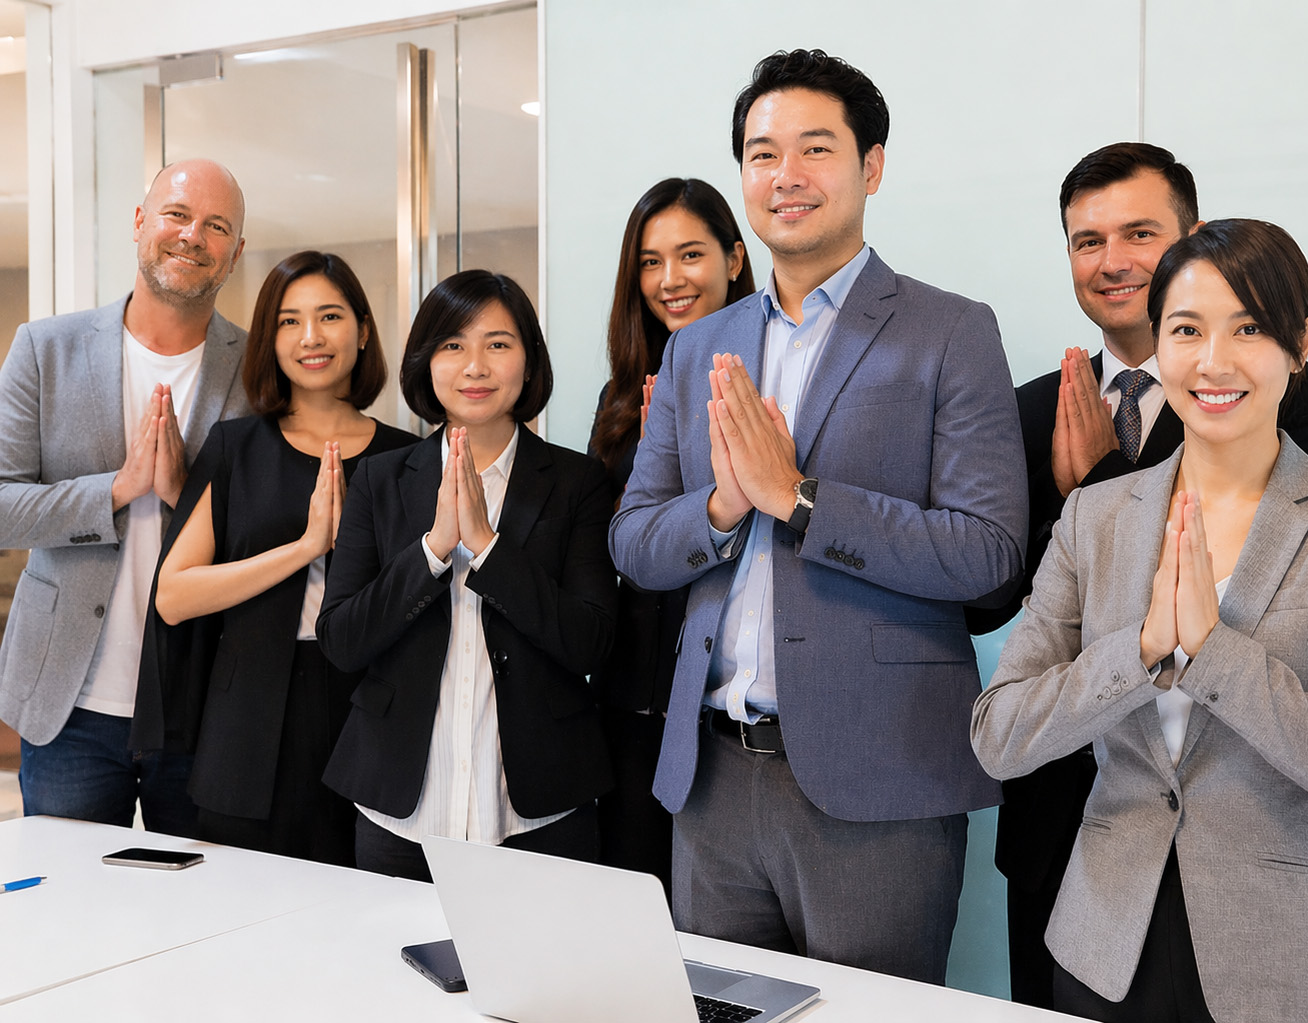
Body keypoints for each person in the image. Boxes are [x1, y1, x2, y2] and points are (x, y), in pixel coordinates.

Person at [609, 49, 1027, 984]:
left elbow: (987, 553)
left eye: (814, 148)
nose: (784, 176)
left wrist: (796, 499)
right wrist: (724, 502)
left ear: (870, 167)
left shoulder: (950, 330)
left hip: (878, 780)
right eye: (761, 154)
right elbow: (635, 541)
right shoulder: (697, 348)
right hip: (711, 780)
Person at [971, 219, 1308, 1022]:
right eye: (1185, 329)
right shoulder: (1095, 518)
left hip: (1280, 963)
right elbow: (1000, 734)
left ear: (1299, 342)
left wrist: (1214, 655)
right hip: (1100, 947)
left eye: (1248, 327)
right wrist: (1141, 650)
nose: (1212, 360)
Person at [317, 269, 616, 881]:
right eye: (453, 345)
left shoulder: (577, 482)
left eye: (498, 344)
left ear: (529, 362)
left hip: (538, 810)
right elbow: (342, 639)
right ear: (426, 363)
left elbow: (592, 641)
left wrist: (486, 548)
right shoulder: (378, 479)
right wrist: (433, 550)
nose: (475, 366)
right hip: (399, 811)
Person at [141, 251, 417, 865]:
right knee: (244, 917)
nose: (311, 337)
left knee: (364, 909)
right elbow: (174, 595)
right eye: (289, 322)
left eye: (329, 316)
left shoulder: (407, 457)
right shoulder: (236, 445)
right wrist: (305, 548)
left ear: (364, 330)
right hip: (250, 714)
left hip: (369, 709)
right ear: (269, 338)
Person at [0, 159, 249, 834]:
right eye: (176, 214)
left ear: (235, 251)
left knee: (200, 912)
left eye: (216, 225)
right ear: (141, 222)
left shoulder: (257, 370)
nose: (192, 235)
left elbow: (269, 532)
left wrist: (181, 493)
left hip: (201, 704)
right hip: (70, 705)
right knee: (73, 917)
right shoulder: (43, 349)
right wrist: (117, 488)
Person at [588, 177, 754, 893]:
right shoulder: (626, 390)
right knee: (635, 902)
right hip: (629, 692)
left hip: (716, 692)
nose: (669, 279)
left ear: (735, 260)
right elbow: (620, 537)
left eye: (689, 255)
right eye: (650, 262)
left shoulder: (767, 374)